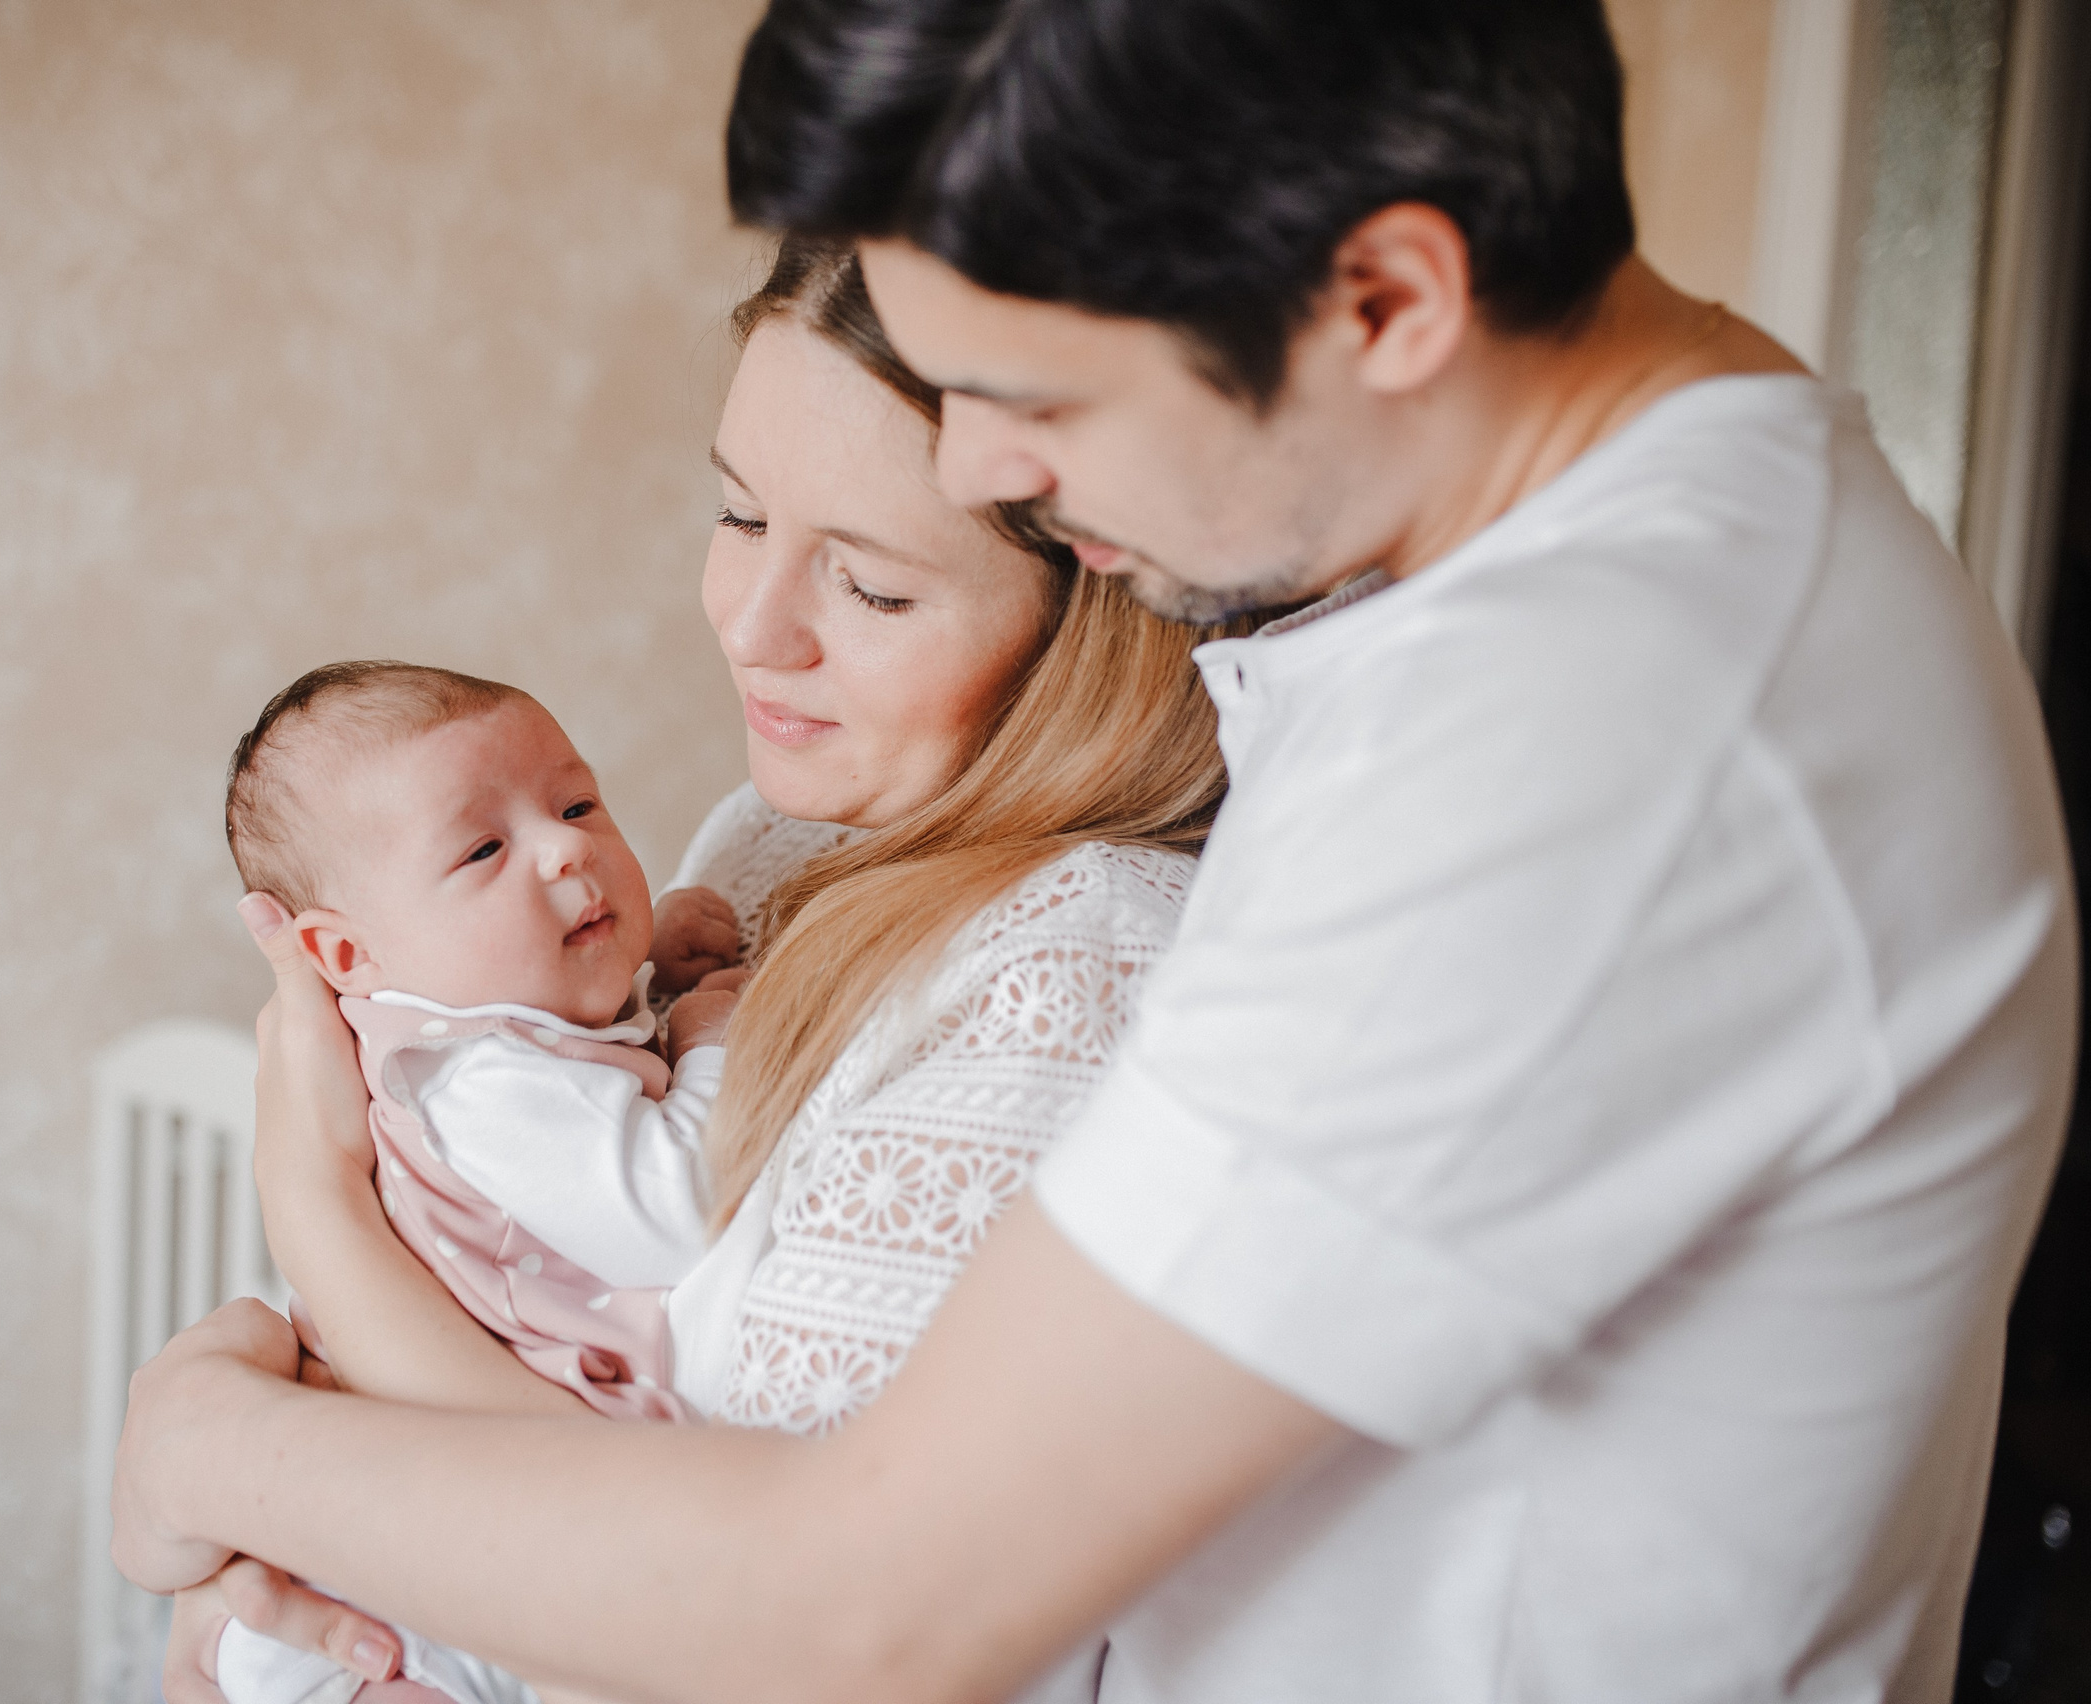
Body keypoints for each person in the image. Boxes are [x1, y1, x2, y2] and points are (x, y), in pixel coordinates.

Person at [116, 3, 2078, 1698]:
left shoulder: (1592, 742)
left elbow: (860, 1620)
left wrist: (215, 1439)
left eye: (1028, 400)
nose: (982, 476)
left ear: (1380, 298)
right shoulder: (1501, 603)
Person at [139, 231, 1231, 1702]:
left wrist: (243, 1403)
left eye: (871, 589)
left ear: (1088, 619)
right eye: (736, 511)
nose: (747, 623)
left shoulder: (1075, 965)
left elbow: (777, 1635)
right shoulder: (773, 838)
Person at [210, 660, 745, 1704]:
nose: (565, 847)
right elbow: (674, 1209)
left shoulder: (508, 1029)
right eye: (482, 848)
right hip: (402, 1557)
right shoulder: (472, 1075)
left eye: (576, 802)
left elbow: (601, 1055)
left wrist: (655, 968)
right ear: (347, 953)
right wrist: (715, 1021)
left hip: (460, 1517)